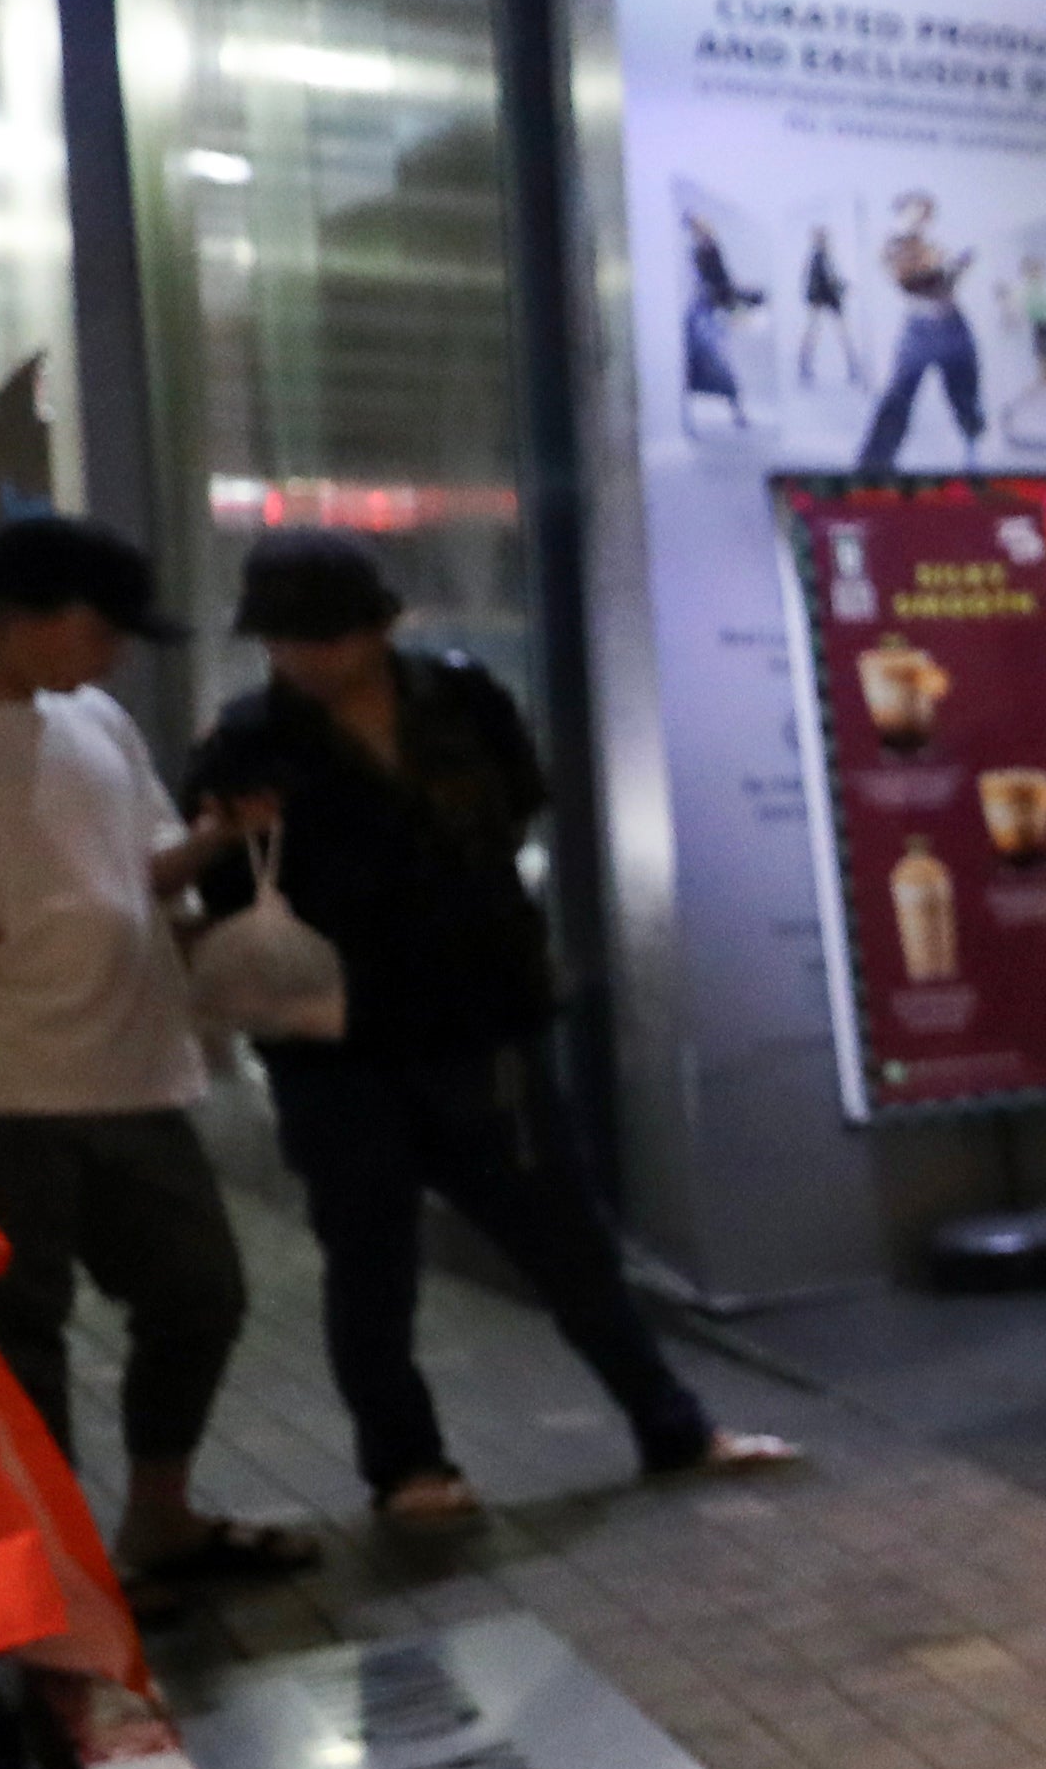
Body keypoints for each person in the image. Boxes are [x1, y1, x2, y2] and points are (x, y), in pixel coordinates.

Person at [181, 531, 797, 1527]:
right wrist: (232, 837)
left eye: (325, 636)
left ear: (378, 626)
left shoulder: (463, 700)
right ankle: (407, 1468)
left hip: (482, 1017)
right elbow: (219, 886)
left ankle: (673, 1428)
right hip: (333, 1043)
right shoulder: (244, 741)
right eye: (287, 640)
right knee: (370, 1259)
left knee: (567, 1241)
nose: (306, 659)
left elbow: (516, 813)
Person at [0, 513, 301, 1587]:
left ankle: (159, 1516)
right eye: (101, 630)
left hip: (132, 1071)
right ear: (17, 618)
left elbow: (137, 868)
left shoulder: (93, 721)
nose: (116, 655)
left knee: (200, 1295)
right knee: (15, 1337)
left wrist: (213, 844)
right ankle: (48, 1571)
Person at [856, 191, 988, 471]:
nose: (924, 218)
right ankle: (874, 465)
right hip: (921, 329)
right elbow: (912, 283)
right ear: (903, 212)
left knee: (965, 391)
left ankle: (974, 452)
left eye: (927, 213)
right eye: (918, 211)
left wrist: (954, 270)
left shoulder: (928, 246)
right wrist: (947, 269)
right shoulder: (893, 247)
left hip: (953, 324)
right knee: (899, 395)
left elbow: (944, 285)